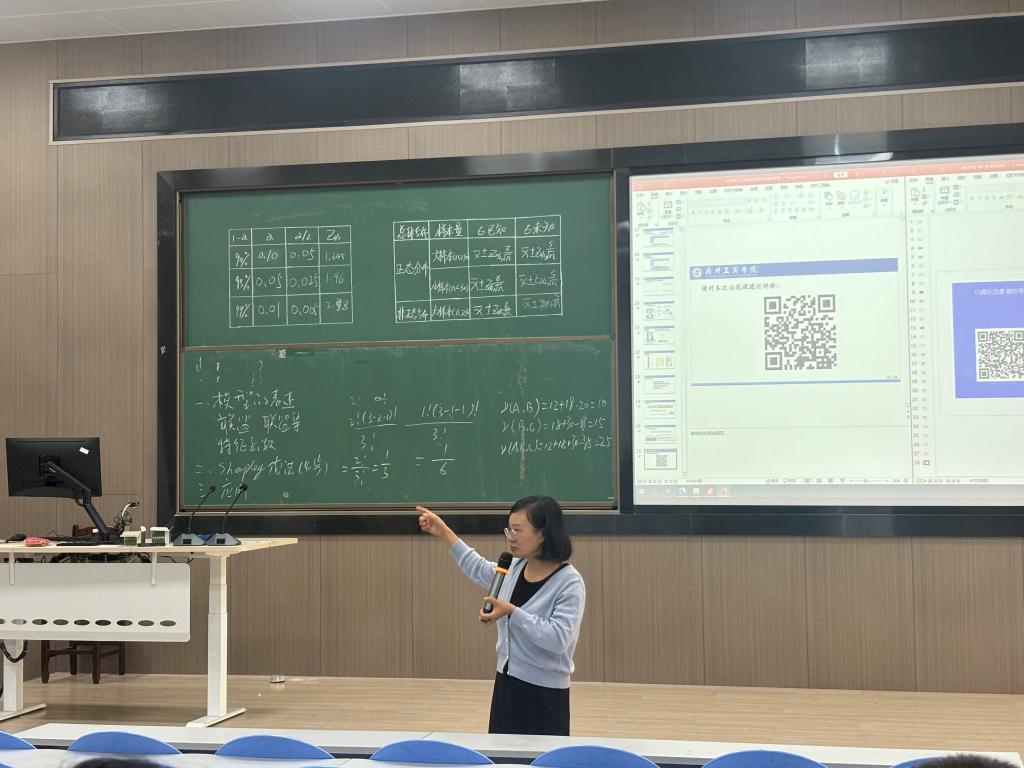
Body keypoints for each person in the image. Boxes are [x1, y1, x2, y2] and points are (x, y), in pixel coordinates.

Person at [417, 496, 585, 736]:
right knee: (501, 753)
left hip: (545, 693)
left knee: (541, 756)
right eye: (509, 530)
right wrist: (443, 531)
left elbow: (558, 640)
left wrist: (511, 611)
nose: (511, 537)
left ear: (543, 533)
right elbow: (476, 566)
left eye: (518, 530)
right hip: (506, 684)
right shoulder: (514, 568)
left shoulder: (568, 582)